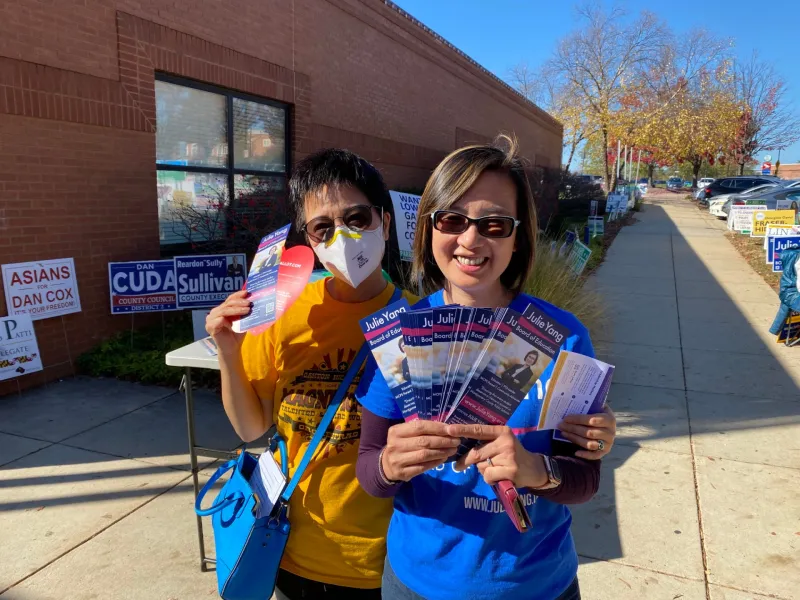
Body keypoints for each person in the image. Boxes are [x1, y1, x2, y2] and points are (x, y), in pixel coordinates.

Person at [356, 137, 617, 600]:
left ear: (517, 239)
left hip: (538, 585)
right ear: (429, 229)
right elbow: (369, 471)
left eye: (494, 224)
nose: (470, 239)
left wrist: (536, 470)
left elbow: (585, 478)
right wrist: (389, 466)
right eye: (452, 219)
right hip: (418, 584)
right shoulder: (398, 335)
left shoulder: (563, 335)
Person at [205, 148, 416, 600]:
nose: (342, 237)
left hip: (384, 563)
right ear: (309, 240)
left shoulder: (420, 323)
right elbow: (250, 425)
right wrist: (227, 349)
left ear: (385, 220)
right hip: (288, 549)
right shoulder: (282, 312)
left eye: (357, 218)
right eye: (323, 227)